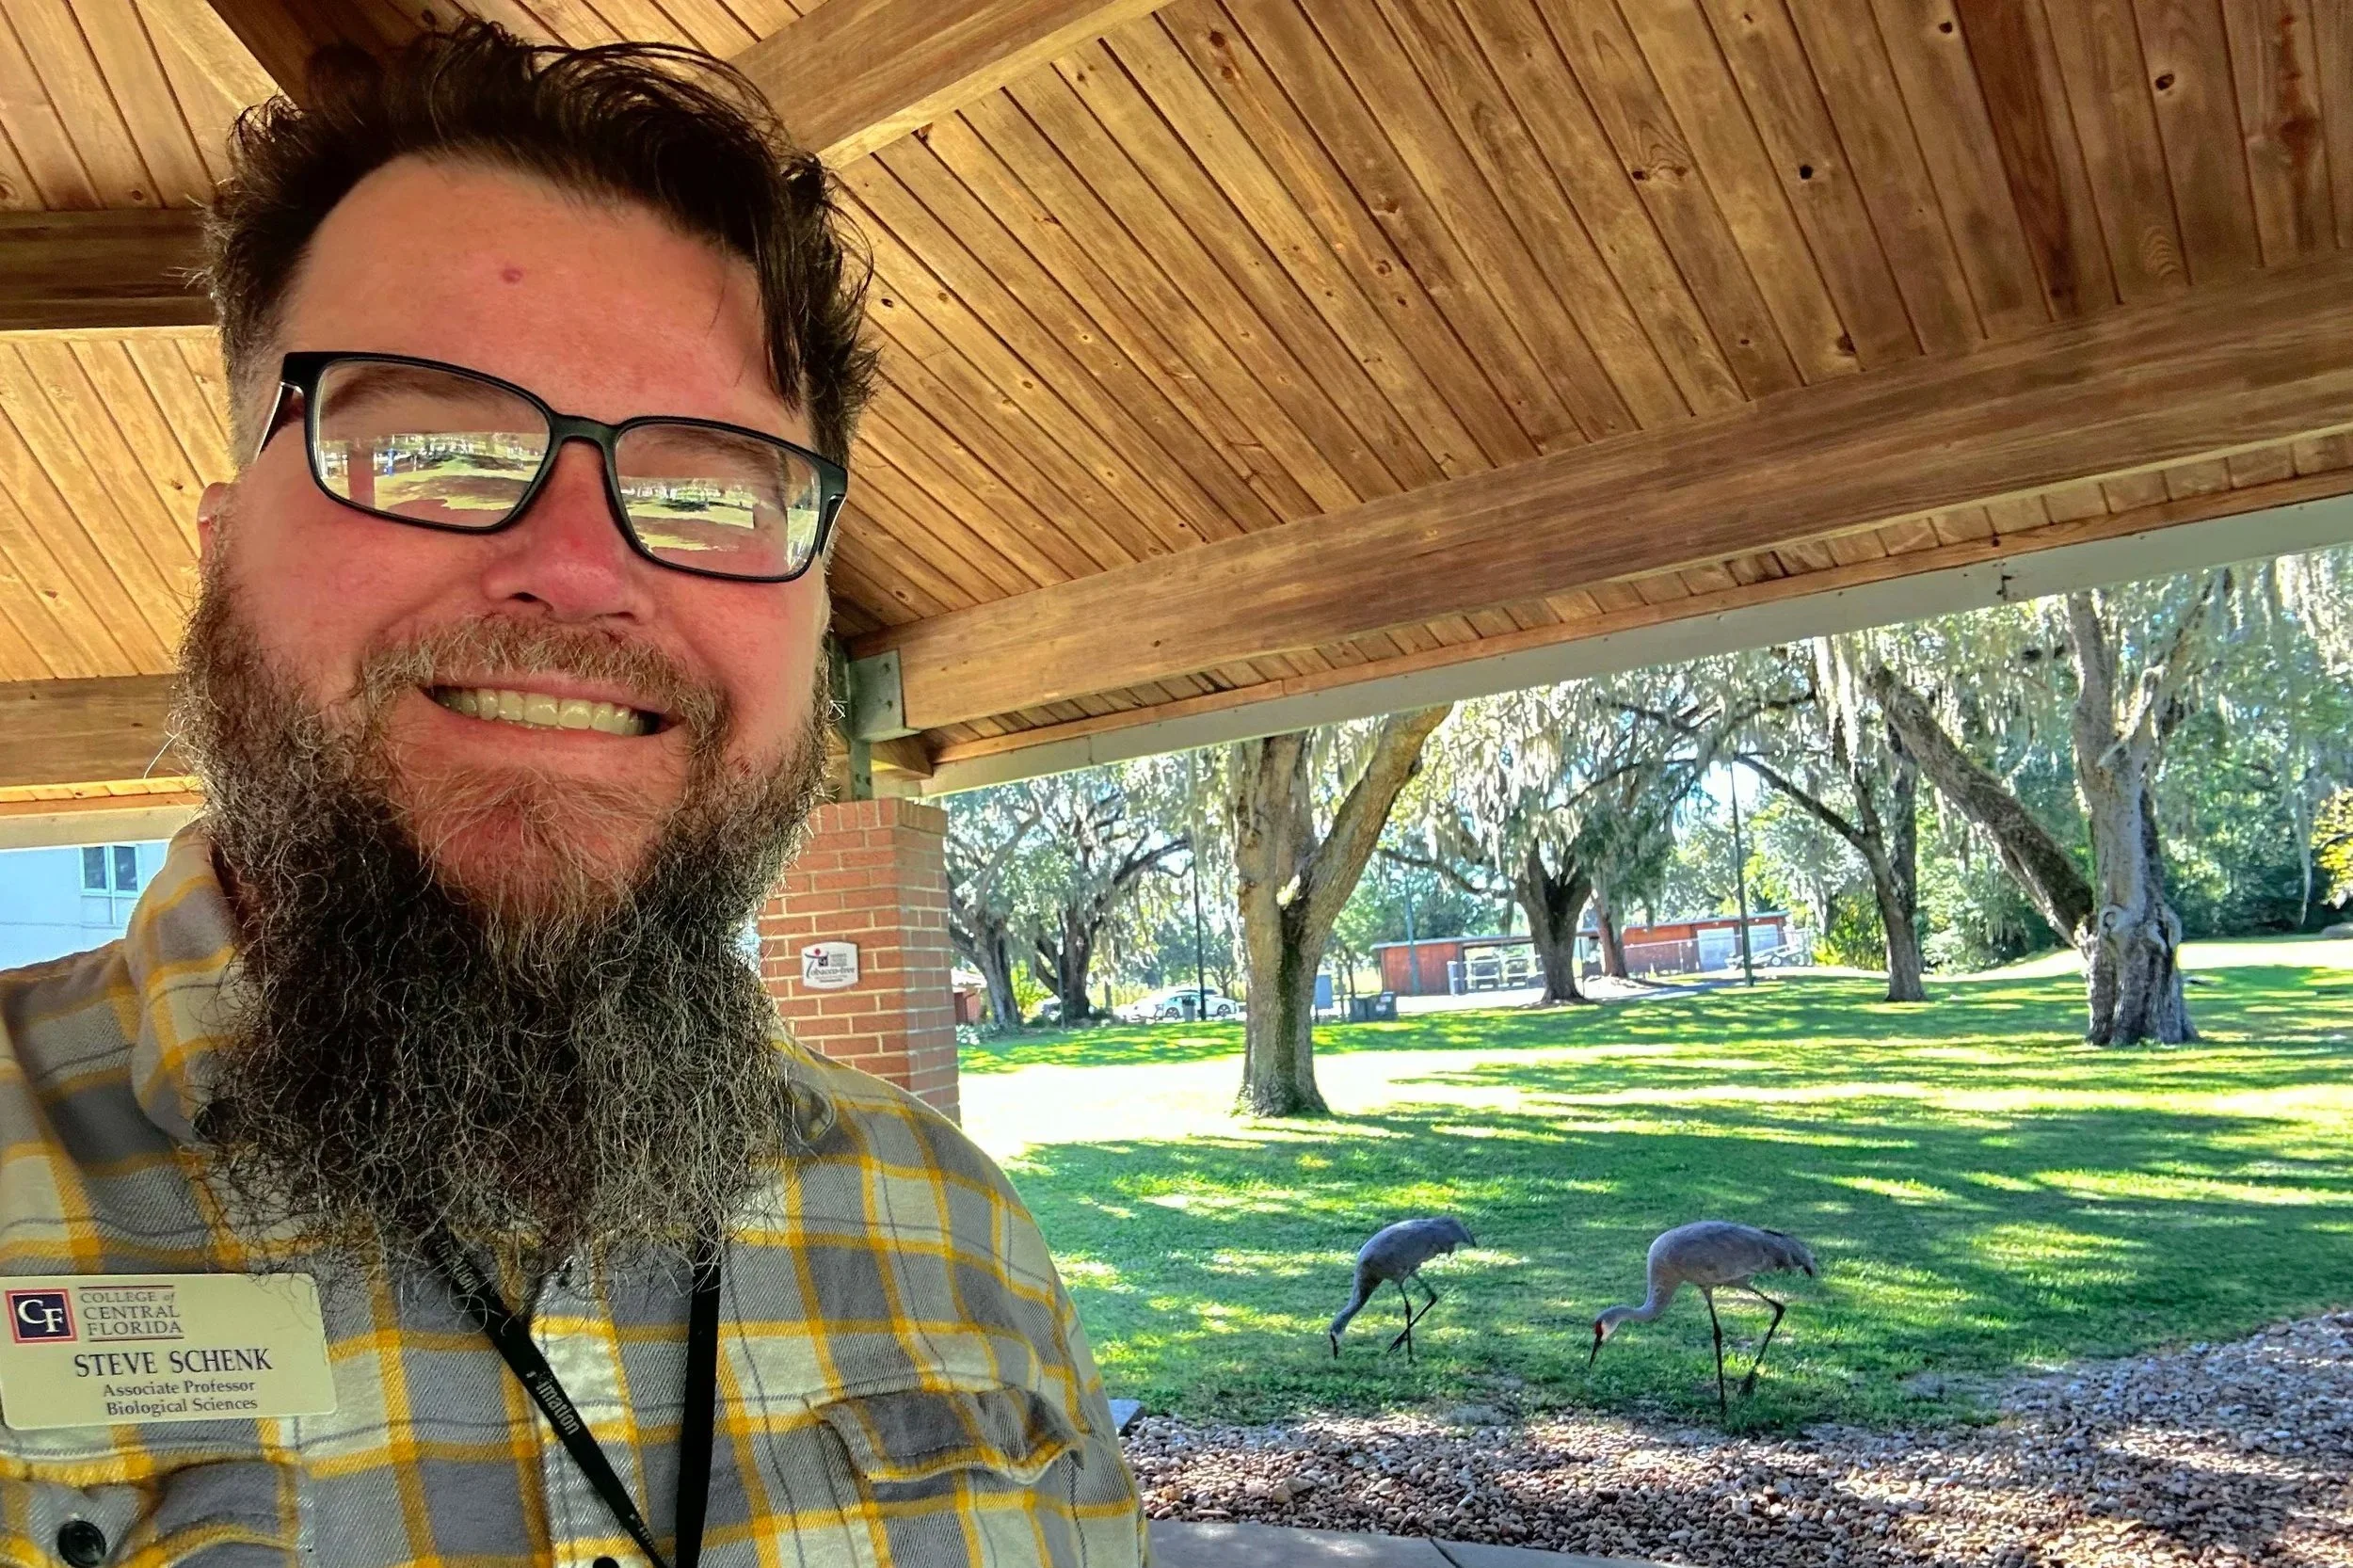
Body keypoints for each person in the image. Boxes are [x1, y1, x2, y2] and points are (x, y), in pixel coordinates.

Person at [0, 23, 1144, 1567]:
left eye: (707, 485)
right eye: (432, 447)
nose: (584, 571)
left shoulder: (961, 1238)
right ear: (219, 549)